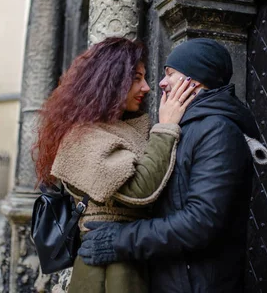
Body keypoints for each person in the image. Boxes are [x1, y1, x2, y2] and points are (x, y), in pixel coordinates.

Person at [79, 38, 267, 293]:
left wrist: (119, 239)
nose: (161, 82)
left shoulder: (217, 130)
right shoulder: (186, 126)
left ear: (195, 80)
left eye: (170, 74)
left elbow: (202, 221)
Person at [34, 37, 198, 293]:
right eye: (136, 78)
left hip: (137, 255)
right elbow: (139, 189)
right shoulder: (81, 137)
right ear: (110, 79)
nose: (147, 87)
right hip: (106, 269)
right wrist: (166, 127)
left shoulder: (124, 127)